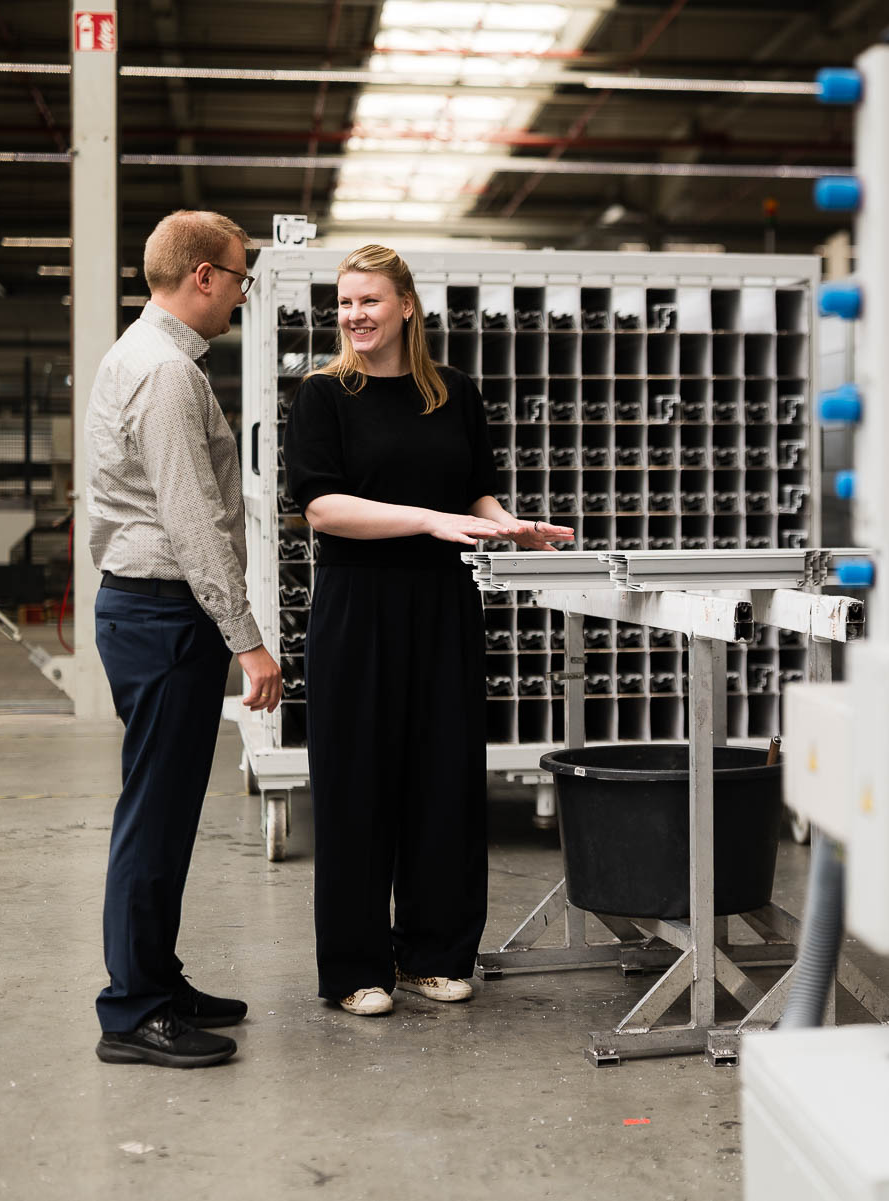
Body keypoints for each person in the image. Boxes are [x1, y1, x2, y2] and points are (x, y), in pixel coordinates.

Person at [285, 244, 573, 1016]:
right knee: (356, 786)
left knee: (442, 779)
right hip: (357, 604)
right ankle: (355, 967)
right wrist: (429, 520)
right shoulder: (321, 394)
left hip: (441, 604)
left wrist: (510, 528)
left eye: (369, 301)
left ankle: (432, 954)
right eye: (344, 303)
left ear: (408, 305)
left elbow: (475, 490)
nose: (354, 316)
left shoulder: (455, 392)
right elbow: (321, 507)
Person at [86, 210, 283, 1069]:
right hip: (165, 614)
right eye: (239, 276)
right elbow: (194, 524)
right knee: (153, 816)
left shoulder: (142, 355)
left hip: (155, 611)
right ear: (203, 274)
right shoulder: (166, 374)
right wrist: (248, 640)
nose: (242, 292)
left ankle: (157, 978)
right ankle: (132, 1009)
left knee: (164, 813)